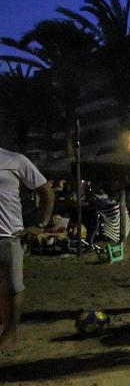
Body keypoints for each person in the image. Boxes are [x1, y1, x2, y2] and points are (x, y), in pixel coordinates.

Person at [0, 148, 54, 349]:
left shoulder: (14, 160)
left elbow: (46, 192)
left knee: (13, 286)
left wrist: (40, 225)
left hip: (8, 235)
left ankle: (10, 331)